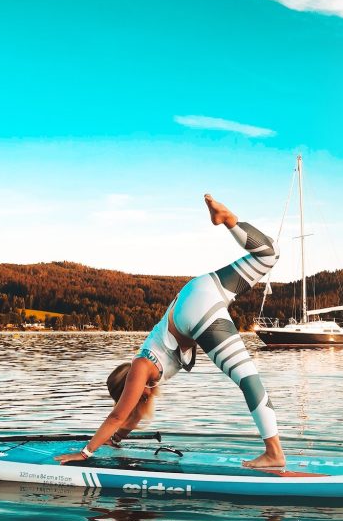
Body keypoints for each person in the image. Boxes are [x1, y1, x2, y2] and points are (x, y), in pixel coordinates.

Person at [56, 194, 286, 470]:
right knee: (269, 253)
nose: (135, 403)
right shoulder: (146, 382)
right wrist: (113, 440)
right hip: (199, 290)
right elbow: (127, 420)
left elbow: (118, 416)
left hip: (196, 309)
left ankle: (274, 453)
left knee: (248, 380)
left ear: (129, 390)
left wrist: (85, 453)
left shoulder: (141, 366)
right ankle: (228, 220)